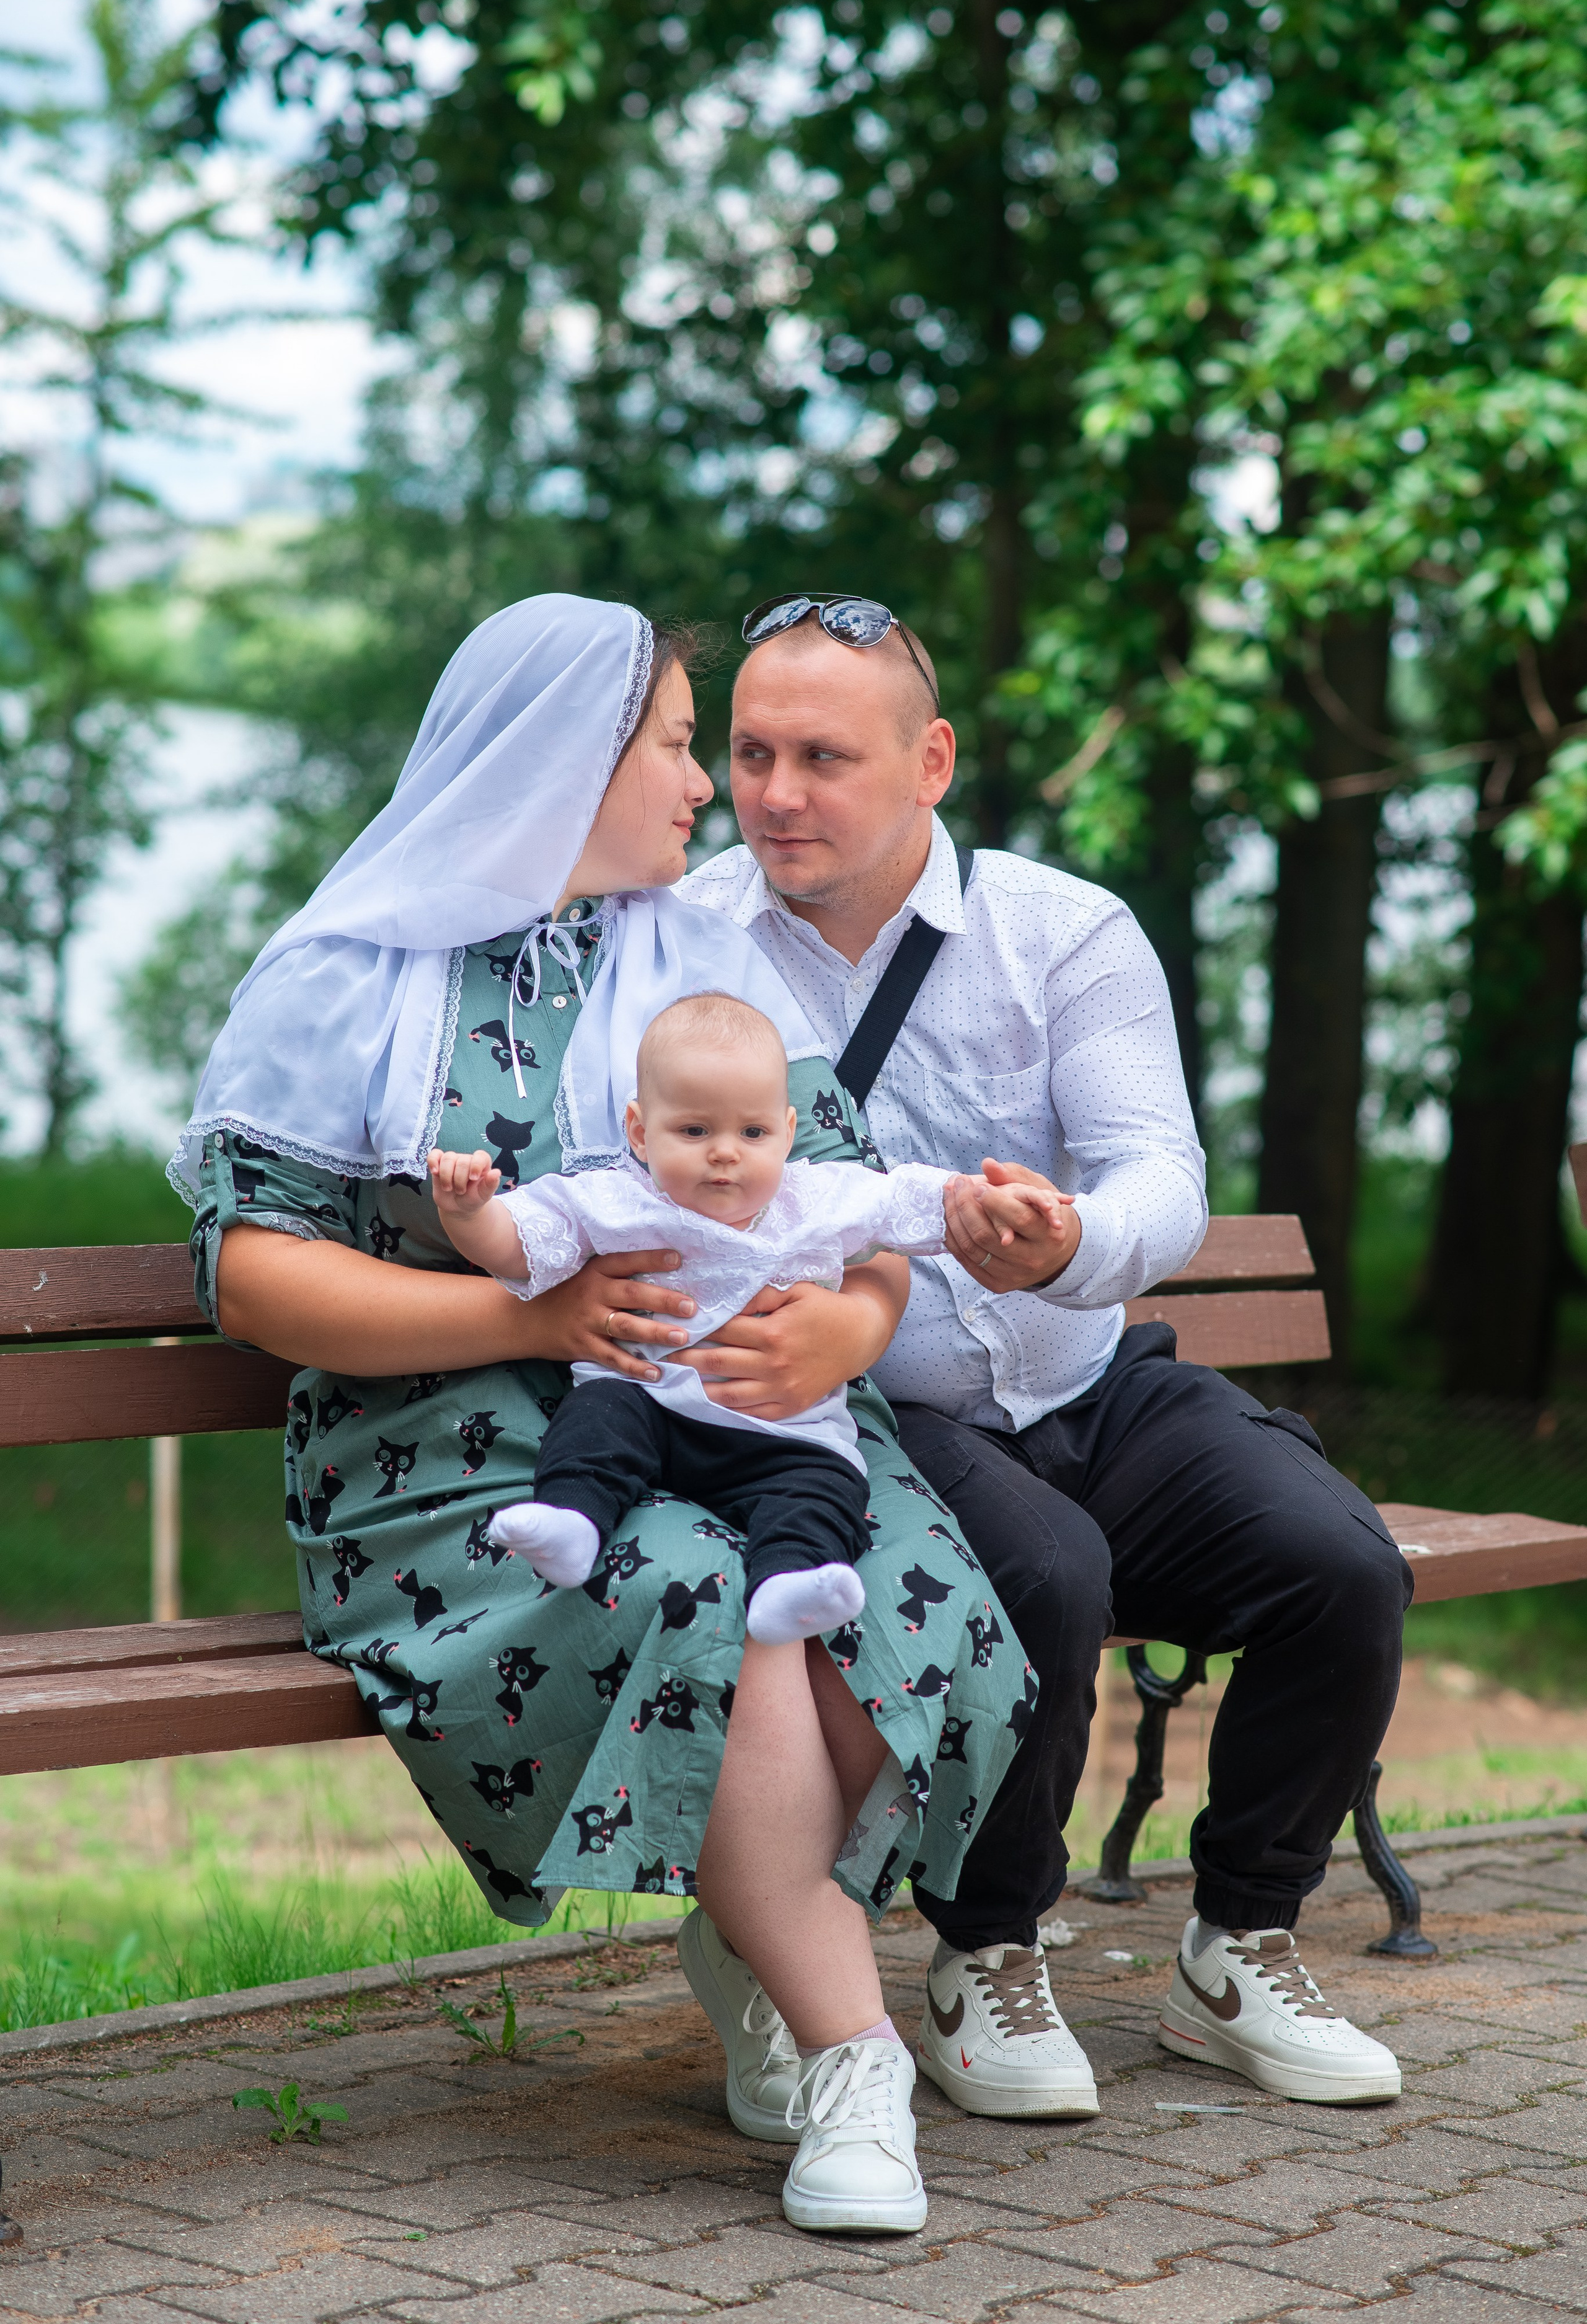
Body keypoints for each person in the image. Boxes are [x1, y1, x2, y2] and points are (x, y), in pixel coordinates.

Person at [172, 593, 1040, 2235]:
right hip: (446, 1445)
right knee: (709, 1596)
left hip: (743, 1408)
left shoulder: (696, 958)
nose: (703, 787)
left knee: (894, 1584)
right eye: (671, 746)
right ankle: (856, 2051)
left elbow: (843, 1210)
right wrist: (538, 1311)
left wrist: (837, 1339)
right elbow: (256, 1281)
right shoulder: (351, 971)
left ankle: (761, 1918)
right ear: (559, 764)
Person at [682, 590, 1411, 2116]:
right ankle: (984, 1950)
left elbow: (1160, 1173)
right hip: (868, 1414)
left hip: (1086, 1372)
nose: (774, 792)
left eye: (822, 754)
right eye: (749, 751)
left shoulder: (1061, 928)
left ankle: (1238, 1940)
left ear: (929, 758)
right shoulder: (685, 940)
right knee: (1046, 1570)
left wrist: (1070, 1237)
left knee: (1337, 1561)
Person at [428, 989, 1067, 1644]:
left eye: (752, 1132)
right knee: (594, 1421)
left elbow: (907, 1200)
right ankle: (571, 1518)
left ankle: (791, 1582)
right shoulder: (616, 1197)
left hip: (782, 1428)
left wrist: (985, 1201)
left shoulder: (814, 1197)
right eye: (695, 1130)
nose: (725, 1152)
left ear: (788, 1133)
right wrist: (471, 1214)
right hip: (652, 1404)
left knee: (827, 1481)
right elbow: (522, 1244)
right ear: (640, 1132)